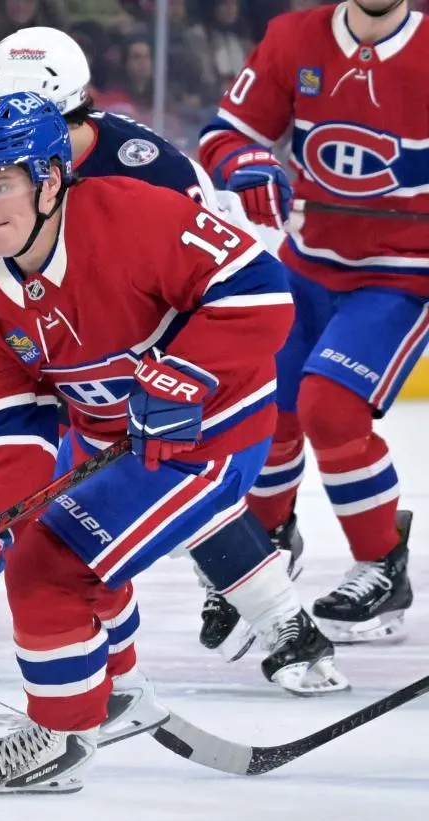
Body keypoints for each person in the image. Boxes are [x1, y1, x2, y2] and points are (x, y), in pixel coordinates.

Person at [0, 90, 317, 794]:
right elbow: (13, 426)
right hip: (115, 436)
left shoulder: (134, 214)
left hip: (211, 433)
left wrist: (186, 377)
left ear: (50, 179)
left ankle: (64, 734)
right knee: (40, 540)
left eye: (0, 184)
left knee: (49, 565)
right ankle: (112, 692)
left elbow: (261, 291)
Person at [0, 27, 345, 695]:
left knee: (131, 502)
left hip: (184, 364)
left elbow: (219, 290)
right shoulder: (9, 174)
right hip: (97, 374)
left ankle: (263, 628)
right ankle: (249, 636)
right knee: (75, 514)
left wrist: (178, 370)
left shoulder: (147, 172)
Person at [199, 0, 427, 644]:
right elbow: (226, 134)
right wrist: (246, 164)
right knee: (265, 408)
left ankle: (384, 565)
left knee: (330, 408)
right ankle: (263, 558)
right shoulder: (293, 37)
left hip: (403, 275)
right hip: (308, 266)